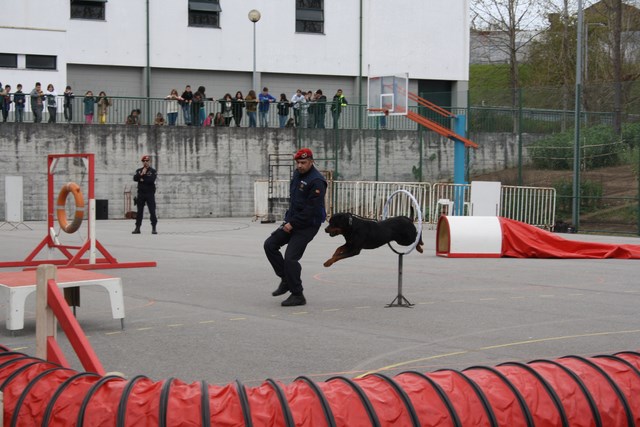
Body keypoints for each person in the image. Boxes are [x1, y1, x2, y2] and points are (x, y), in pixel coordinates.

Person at [264, 148, 327, 307]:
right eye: (298, 162)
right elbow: (294, 202)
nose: (299, 165)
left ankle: (297, 295)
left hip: (308, 225)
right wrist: (287, 221)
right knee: (270, 245)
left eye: (303, 163)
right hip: (293, 220)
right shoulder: (298, 174)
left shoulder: (317, 181)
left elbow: (310, 210)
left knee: (291, 258)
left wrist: (293, 224)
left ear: (311, 161)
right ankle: (286, 279)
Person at [132, 155, 158, 234]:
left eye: (147, 161)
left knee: (152, 211)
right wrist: (141, 174)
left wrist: (142, 179)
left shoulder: (153, 171)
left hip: (150, 194)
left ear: (149, 162)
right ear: (142, 162)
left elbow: (151, 180)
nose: (145, 162)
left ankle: (154, 227)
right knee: (139, 212)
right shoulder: (139, 170)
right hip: (141, 194)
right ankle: (137, 228)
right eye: (144, 161)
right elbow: (135, 178)